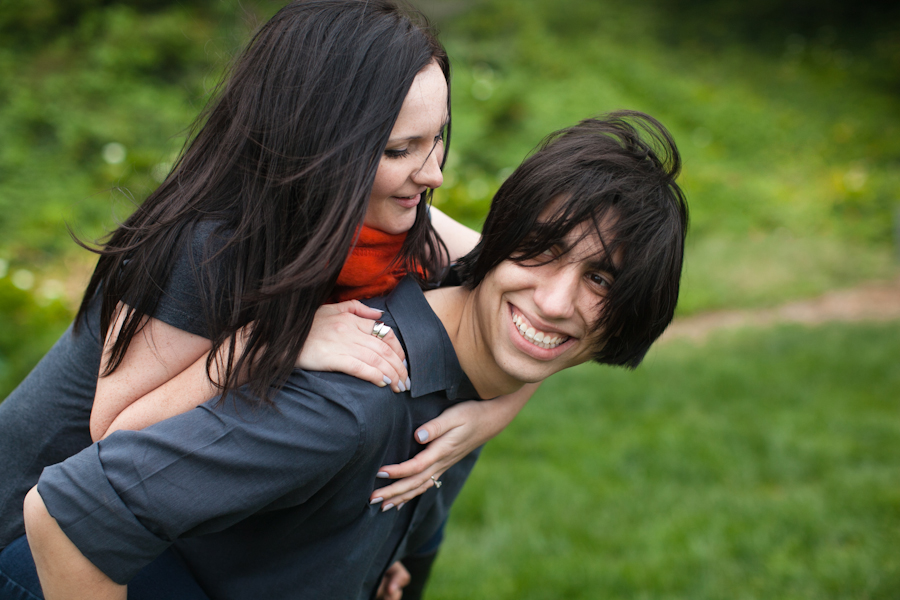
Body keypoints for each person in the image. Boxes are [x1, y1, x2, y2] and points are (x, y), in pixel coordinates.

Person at [6, 110, 689, 600]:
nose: (554, 300)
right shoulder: (345, 389)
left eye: (601, 279)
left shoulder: (467, 329)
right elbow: (76, 507)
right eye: (539, 251)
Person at [0, 0, 534, 564]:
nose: (434, 174)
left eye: (438, 137)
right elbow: (113, 436)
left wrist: (493, 415)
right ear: (321, 145)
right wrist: (277, 342)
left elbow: (526, 297)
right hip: (32, 546)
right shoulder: (207, 245)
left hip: (154, 532)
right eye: (399, 150)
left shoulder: (390, 212)